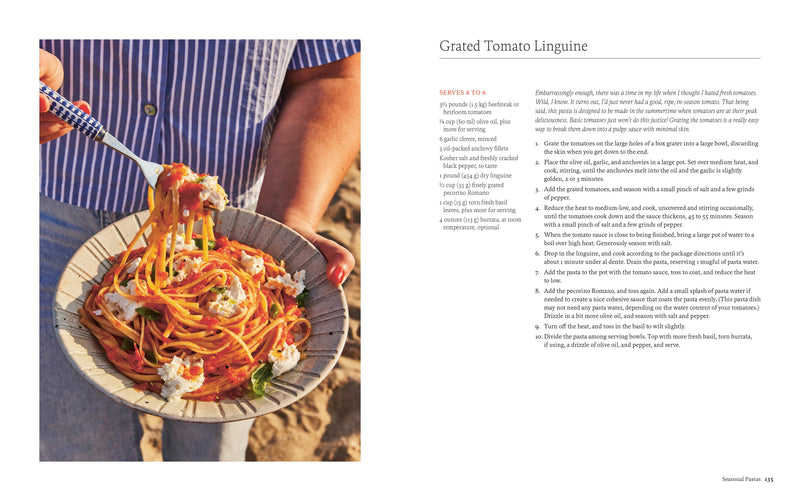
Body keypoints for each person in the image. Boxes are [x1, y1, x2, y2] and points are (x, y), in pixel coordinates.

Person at [39, 40, 360, 461]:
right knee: (75, 452)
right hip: (52, 211)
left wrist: (291, 217)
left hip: (236, 224)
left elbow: (331, 73)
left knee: (213, 459)